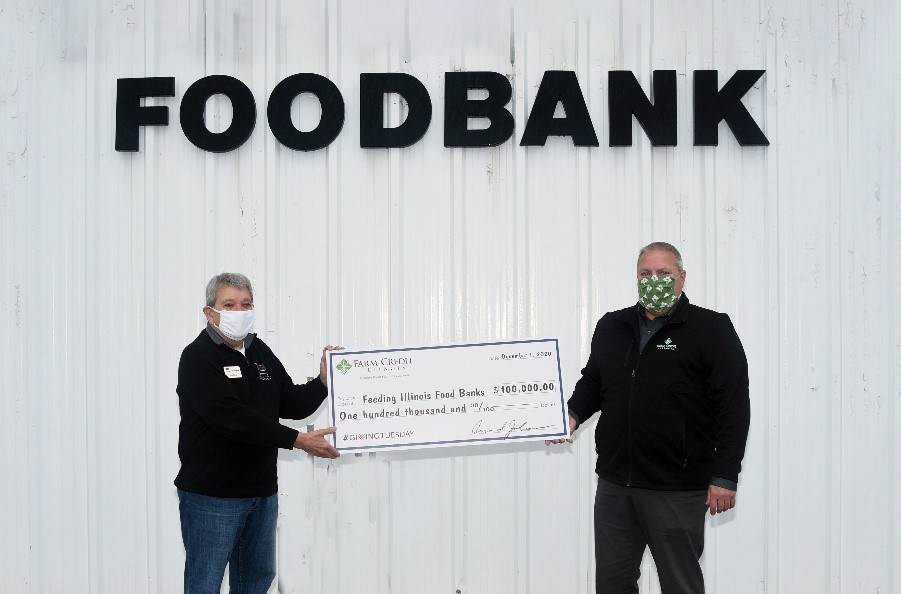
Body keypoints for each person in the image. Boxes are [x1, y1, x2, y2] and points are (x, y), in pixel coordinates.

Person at [553, 242, 750, 594]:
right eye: (646, 274)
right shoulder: (612, 326)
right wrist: (570, 415)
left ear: (682, 278)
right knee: (613, 584)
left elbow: (734, 406)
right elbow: (594, 383)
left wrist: (725, 475)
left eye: (664, 273)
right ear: (636, 278)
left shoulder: (711, 328)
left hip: (676, 489)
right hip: (616, 487)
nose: (654, 280)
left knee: (680, 585)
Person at [175, 272, 340, 594]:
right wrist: (297, 440)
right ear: (210, 312)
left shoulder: (258, 351)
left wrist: (323, 381)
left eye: (246, 304)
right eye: (229, 304)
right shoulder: (197, 357)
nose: (239, 311)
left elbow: (291, 403)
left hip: (262, 494)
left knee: (255, 581)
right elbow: (232, 419)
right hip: (213, 497)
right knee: (204, 584)